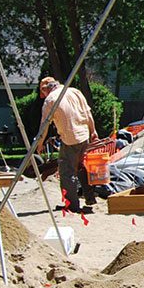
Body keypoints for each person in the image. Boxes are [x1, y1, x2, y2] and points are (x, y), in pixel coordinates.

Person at [39, 76, 99, 213]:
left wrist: (40, 143)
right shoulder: (74, 92)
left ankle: (72, 205)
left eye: (42, 92)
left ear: (45, 89)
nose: (43, 96)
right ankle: (90, 198)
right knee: (81, 166)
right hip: (84, 135)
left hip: (70, 138)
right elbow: (87, 113)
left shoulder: (51, 100)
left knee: (66, 172)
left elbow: (44, 125)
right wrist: (93, 131)